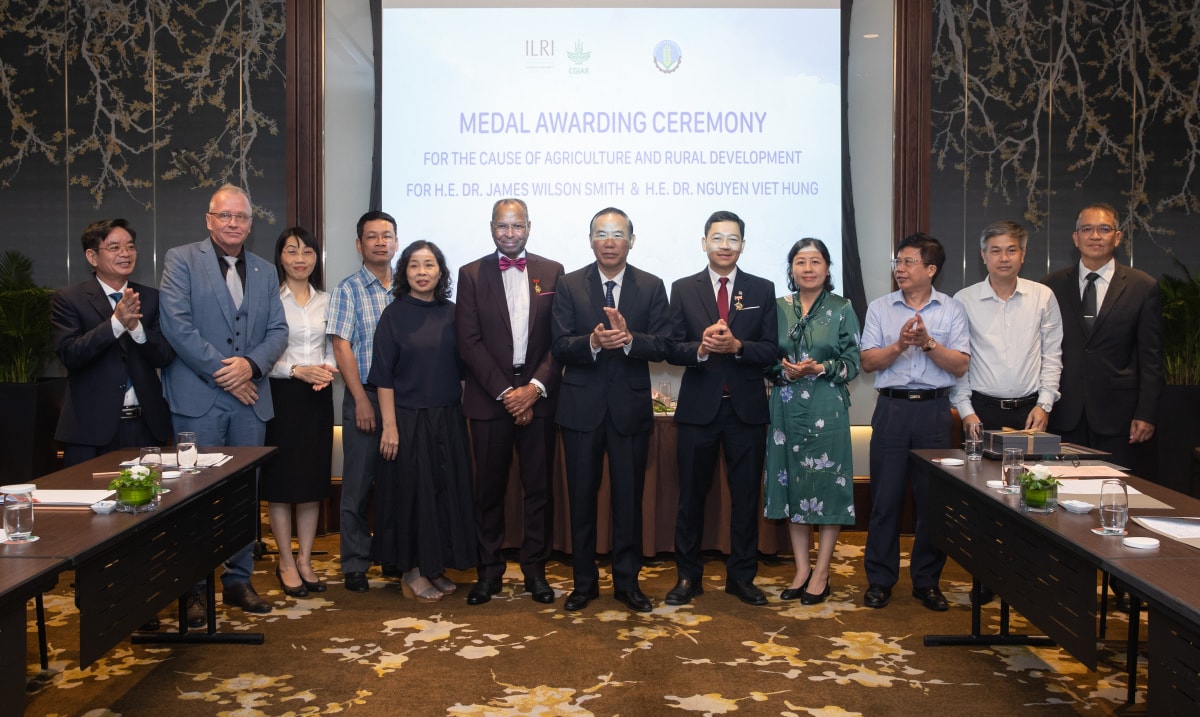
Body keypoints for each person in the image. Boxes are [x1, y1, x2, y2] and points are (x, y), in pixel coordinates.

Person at [160, 184, 288, 626]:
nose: (233, 223)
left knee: (242, 495)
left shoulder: (265, 270)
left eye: (242, 217)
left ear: (251, 224)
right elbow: (176, 326)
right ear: (209, 220)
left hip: (250, 402)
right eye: (225, 216)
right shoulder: (181, 260)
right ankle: (194, 587)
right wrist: (228, 374)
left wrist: (251, 365)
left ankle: (238, 579)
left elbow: (277, 330)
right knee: (193, 496)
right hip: (198, 401)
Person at [551, 207, 670, 613]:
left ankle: (627, 583)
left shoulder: (652, 286)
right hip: (580, 410)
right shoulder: (568, 284)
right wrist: (594, 343)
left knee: (628, 502)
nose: (609, 241)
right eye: (601, 233)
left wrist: (631, 338)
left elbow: (665, 344)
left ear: (631, 241)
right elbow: (559, 344)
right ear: (590, 240)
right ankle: (583, 584)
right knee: (581, 501)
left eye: (618, 234)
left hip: (629, 411)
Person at [664, 210, 777, 607]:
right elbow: (670, 346)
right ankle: (687, 577)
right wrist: (700, 347)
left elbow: (770, 349)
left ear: (742, 245)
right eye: (717, 238)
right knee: (690, 499)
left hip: (746, 412)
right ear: (704, 243)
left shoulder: (762, 290)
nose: (724, 246)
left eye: (732, 239)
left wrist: (738, 347)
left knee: (746, 498)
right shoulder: (683, 288)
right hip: (698, 411)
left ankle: (741, 577)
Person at [457, 199, 565, 606]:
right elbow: (468, 342)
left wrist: (533, 388)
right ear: (491, 228)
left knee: (539, 490)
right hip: (490, 399)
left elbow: (561, 339)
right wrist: (508, 393)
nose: (509, 233)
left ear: (529, 227)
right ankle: (488, 573)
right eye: (502, 226)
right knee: (488, 490)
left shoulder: (552, 271)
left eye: (516, 226)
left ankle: (536, 572)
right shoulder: (470, 275)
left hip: (538, 397)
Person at [859, 233, 969, 612]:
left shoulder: (951, 310)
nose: (900, 269)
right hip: (891, 410)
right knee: (884, 500)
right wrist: (900, 344)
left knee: (931, 503)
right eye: (898, 262)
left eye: (908, 262)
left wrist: (927, 344)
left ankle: (926, 582)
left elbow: (960, 365)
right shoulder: (880, 308)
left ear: (930, 269)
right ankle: (880, 580)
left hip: (934, 413)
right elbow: (869, 362)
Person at [369, 240, 476, 602]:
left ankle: (435, 567)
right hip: (407, 421)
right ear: (404, 273)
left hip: (447, 419)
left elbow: (464, 371)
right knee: (413, 499)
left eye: (429, 265)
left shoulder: (454, 312)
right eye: (414, 266)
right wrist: (390, 426)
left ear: (441, 272)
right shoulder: (393, 315)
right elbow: (383, 376)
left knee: (444, 495)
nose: (422, 273)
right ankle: (411, 571)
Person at [763, 238, 861, 605]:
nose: (808, 268)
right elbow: (765, 356)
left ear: (827, 268)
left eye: (815, 261)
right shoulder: (776, 308)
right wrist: (783, 373)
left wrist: (821, 367)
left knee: (826, 485)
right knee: (793, 483)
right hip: (785, 406)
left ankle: (822, 572)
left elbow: (854, 361)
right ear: (790, 269)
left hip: (827, 407)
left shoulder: (842, 308)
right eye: (800, 262)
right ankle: (801, 569)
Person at [1041, 203, 1162, 472]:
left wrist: (1146, 413)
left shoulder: (1143, 287)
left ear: (1117, 237)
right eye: (1087, 229)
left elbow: (1151, 358)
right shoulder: (1051, 286)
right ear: (1076, 237)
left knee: (1114, 492)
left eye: (1104, 229)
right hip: (1065, 412)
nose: (1095, 236)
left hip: (1119, 415)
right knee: (1064, 492)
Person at [52, 218, 175, 467]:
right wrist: (116, 324)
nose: (125, 254)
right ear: (92, 256)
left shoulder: (151, 298)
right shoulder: (69, 299)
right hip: (90, 430)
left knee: (152, 502)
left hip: (146, 426)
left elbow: (164, 355)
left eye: (130, 247)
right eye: (114, 247)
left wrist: (136, 328)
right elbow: (70, 354)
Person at [262, 227, 338, 599]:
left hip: (317, 397)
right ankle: (285, 560)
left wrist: (324, 368)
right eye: (292, 251)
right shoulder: (269, 300)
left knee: (310, 482)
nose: (300, 258)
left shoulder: (328, 300)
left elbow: (334, 345)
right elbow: (263, 352)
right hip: (280, 396)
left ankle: (305, 559)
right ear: (280, 257)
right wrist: (295, 370)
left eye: (307, 251)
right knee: (281, 485)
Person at [326, 211, 398, 593]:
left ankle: (394, 556)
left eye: (387, 235)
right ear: (359, 244)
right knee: (357, 484)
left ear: (396, 242)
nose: (381, 242)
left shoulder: (408, 288)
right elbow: (342, 347)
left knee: (397, 484)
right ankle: (355, 562)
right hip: (364, 398)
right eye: (372, 236)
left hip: (404, 403)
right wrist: (360, 400)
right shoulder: (348, 289)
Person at [952, 221, 1063, 435]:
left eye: (1011, 250)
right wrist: (966, 411)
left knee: (1032, 470)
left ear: (1023, 254)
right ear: (983, 256)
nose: (1004, 258)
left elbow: (1052, 355)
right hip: (980, 411)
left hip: (1031, 412)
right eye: (995, 251)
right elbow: (959, 363)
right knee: (979, 469)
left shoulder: (1043, 296)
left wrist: (1044, 405)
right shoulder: (964, 300)